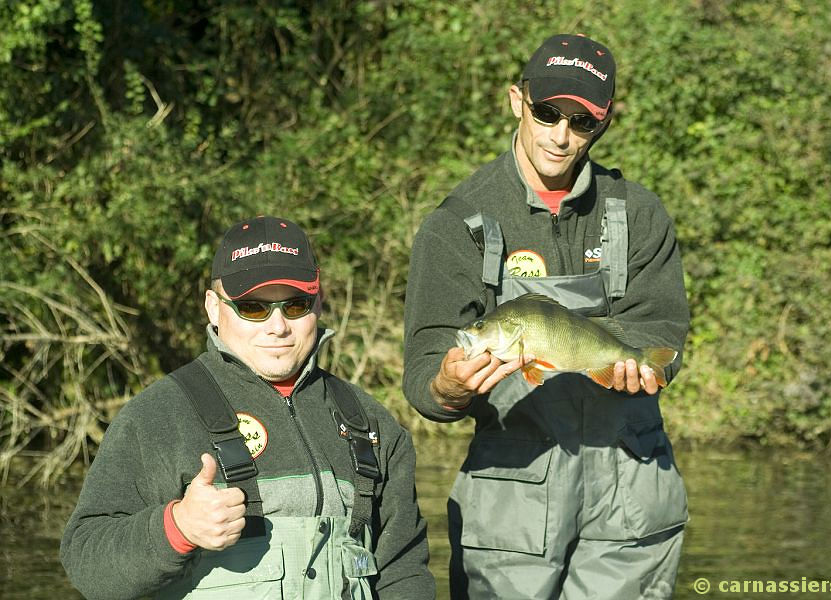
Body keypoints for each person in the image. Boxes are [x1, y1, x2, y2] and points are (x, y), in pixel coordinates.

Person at [403, 34, 690, 599]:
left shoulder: (639, 211)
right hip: (512, 501)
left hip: (630, 492)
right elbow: (424, 372)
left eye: (582, 122)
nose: (561, 135)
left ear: (604, 123)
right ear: (518, 100)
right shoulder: (456, 223)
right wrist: (448, 385)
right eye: (547, 113)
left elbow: (662, 332)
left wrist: (645, 364)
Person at [61, 215, 435, 599]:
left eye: (295, 306)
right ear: (212, 307)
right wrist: (178, 528)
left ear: (318, 303)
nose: (277, 327)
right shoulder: (156, 417)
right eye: (253, 308)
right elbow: (86, 560)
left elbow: (403, 570)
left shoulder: (373, 423)